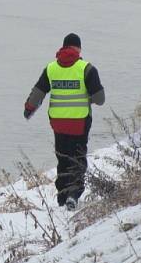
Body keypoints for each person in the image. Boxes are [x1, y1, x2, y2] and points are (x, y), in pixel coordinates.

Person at [24, 33, 105, 210]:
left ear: (63, 47)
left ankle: (62, 197)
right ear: (78, 49)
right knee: (77, 158)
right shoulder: (87, 69)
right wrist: (85, 97)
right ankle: (73, 195)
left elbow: (38, 93)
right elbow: (100, 99)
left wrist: (28, 110)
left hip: (58, 123)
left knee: (62, 158)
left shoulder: (51, 68)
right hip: (79, 122)